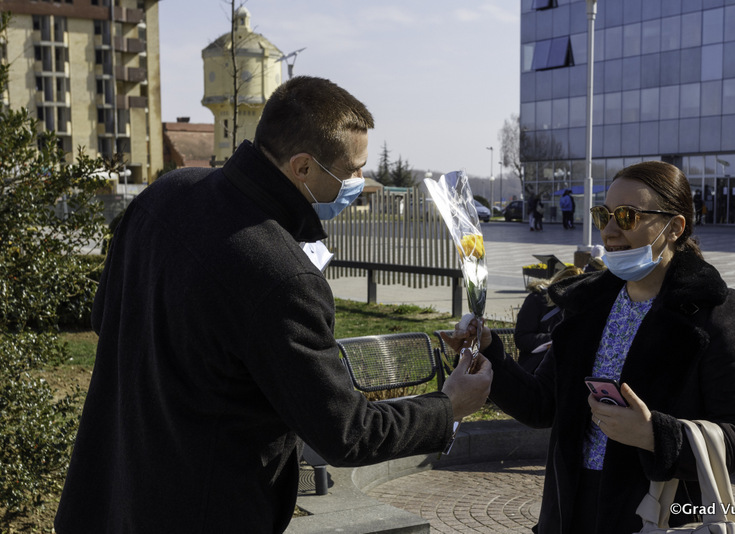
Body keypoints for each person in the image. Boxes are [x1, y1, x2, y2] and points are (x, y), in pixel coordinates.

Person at [54, 76, 493, 534]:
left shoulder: (163, 194)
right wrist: (448, 405)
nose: (360, 183)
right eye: (353, 170)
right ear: (303, 167)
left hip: (108, 496)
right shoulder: (284, 277)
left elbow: (105, 318)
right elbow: (346, 433)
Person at [445, 160, 735, 533]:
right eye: (604, 215)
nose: (610, 230)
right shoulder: (588, 304)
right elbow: (542, 404)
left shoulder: (712, 310)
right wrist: (489, 352)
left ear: (674, 227)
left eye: (628, 216)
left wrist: (655, 435)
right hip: (569, 512)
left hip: (653, 515)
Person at [514, 266, 583, 372]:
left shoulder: (578, 306)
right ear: (558, 282)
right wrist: (555, 339)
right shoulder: (536, 300)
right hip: (536, 368)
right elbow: (521, 338)